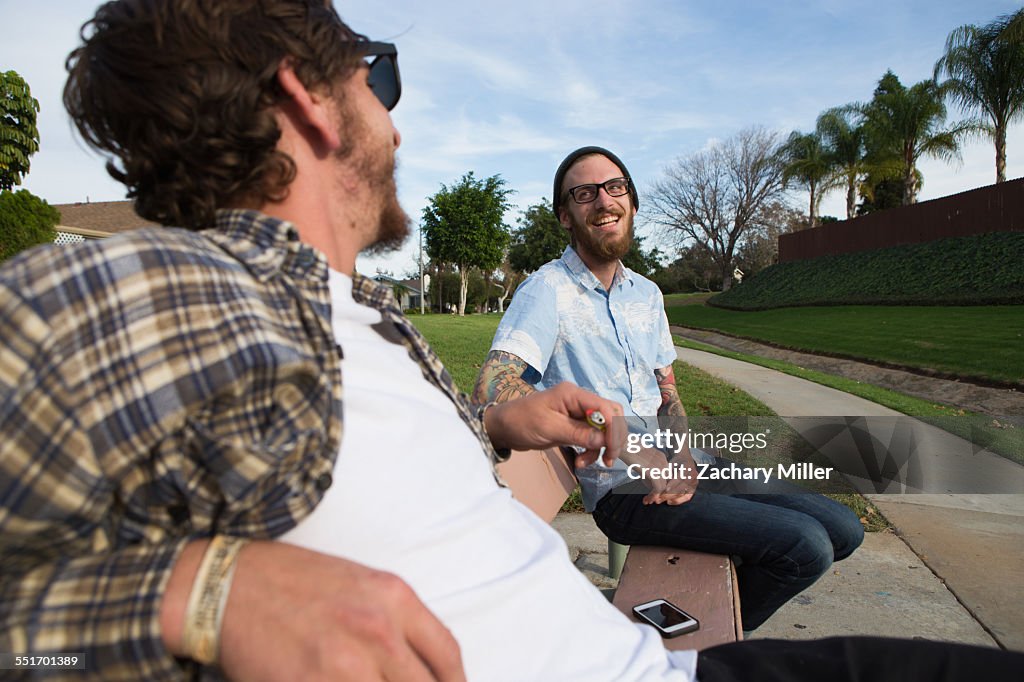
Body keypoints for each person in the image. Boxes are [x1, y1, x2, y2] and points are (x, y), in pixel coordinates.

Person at [0, 2, 1019, 681]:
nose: (395, 127)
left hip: (642, 651)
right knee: (807, 536)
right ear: (310, 101)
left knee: (829, 519)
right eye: (377, 77)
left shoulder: (362, 319)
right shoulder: (149, 286)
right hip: (627, 603)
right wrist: (199, 594)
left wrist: (495, 421)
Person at [475, 146, 864, 631]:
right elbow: (492, 387)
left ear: (632, 202)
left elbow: (668, 393)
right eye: (584, 193)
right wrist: (632, 449)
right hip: (623, 488)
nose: (603, 200)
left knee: (844, 530)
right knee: (804, 547)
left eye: (615, 187)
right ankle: (672, 649)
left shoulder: (648, 294)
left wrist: (678, 454)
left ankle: (672, 627)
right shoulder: (547, 290)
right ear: (565, 216)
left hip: (685, 462)